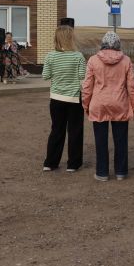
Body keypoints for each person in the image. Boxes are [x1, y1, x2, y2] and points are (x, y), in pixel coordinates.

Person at [81, 32, 134, 182]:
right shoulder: (126, 60)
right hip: (120, 104)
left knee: (100, 140)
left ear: (103, 43)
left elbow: (87, 86)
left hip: (99, 104)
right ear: (118, 44)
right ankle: (121, 172)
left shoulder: (93, 60)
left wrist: (85, 104)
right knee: (121, 140)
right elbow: (132, 86)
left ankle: (102, 173)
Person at [42, 26, 86, 172]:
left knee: (56, 130)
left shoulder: (50, 56)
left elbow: (45, 76)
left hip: (56, 99)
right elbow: (82, 76)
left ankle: (50, 162)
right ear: (71, 38)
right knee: (75, 131)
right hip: (74, 99)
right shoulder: (78, 56)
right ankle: (73, 164)